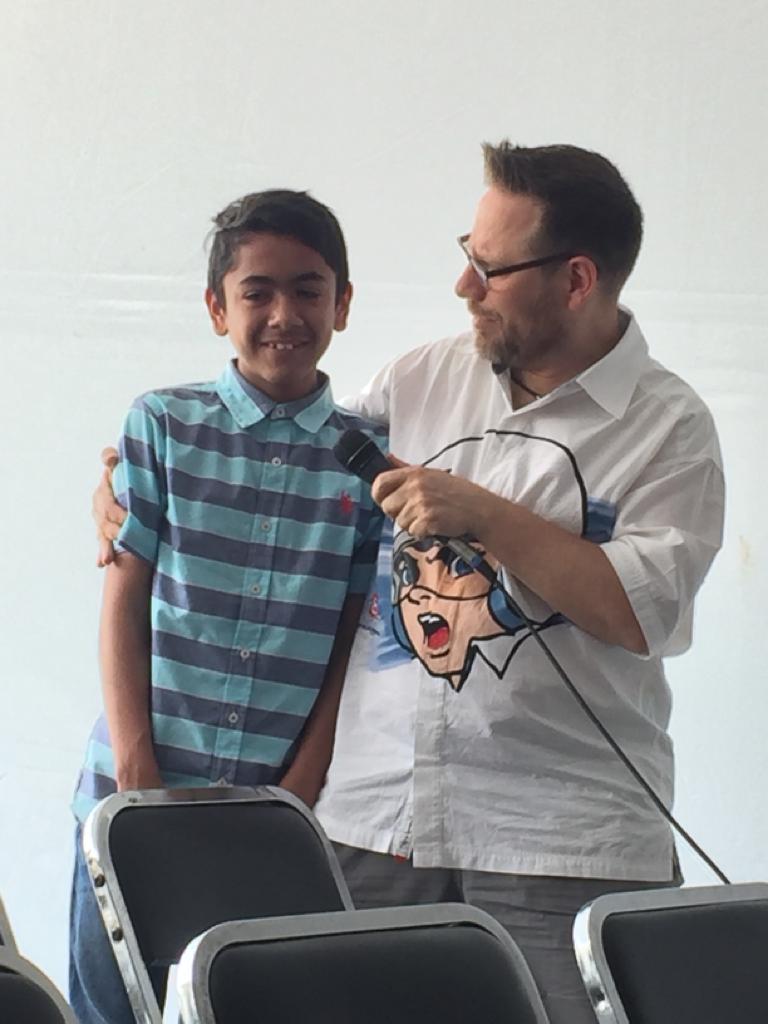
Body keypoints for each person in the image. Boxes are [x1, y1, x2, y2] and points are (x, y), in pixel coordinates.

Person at [93, 144, 724, 1024]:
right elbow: (280, 447)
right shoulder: (421, 377)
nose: (464, 286)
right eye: (468, 253)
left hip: (557, 844)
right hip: (371, 825)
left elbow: (639, 611)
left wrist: (487, 516)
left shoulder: (670, 427)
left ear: (577, 280)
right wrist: (124, 484)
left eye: (489, 268)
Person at [72, 189, 385, 1024]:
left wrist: (302, 784)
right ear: (218, 308)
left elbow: (353, 637)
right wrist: (136, 778)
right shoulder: (164, 424)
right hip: (131, 800)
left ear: (342, 304)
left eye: (309, 290)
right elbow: (124, 602)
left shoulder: (367, 460)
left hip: (266, 819)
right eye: (257, 292)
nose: (285, 314)